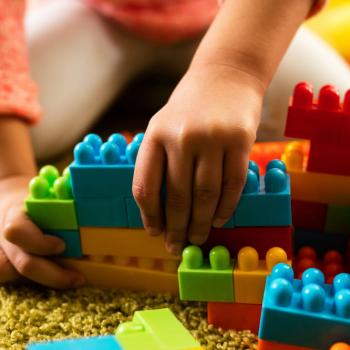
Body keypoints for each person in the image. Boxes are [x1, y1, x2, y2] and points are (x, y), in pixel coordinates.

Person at [0, 0, 349, 289]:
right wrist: (9, 179)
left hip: (233, 14)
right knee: (27, 134)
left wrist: (233, 70)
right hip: (94, 16)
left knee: (336, 127)